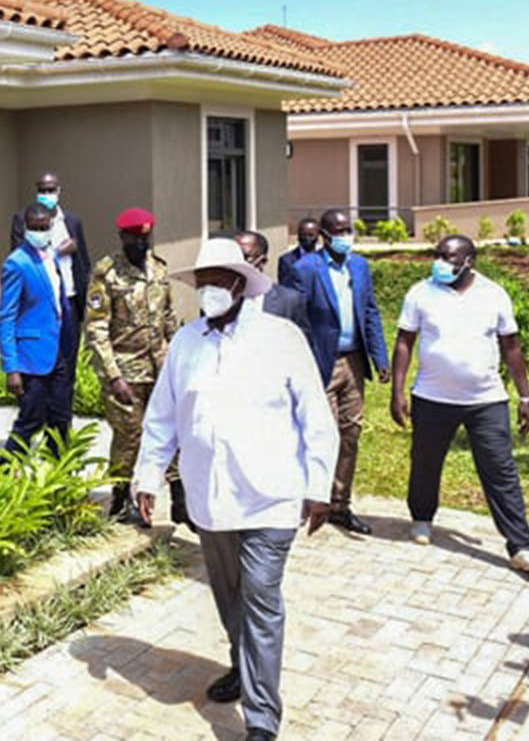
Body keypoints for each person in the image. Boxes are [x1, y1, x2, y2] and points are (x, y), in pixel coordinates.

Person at [132, 238, 338, 741]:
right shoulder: (186, 344)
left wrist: (319, 485)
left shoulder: (281, 337)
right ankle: (241, 667)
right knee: (230, 600)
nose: (210, 291)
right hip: (210, 500)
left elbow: (315, 415)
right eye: (203, 283)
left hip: (272, 497)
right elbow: (162, 418)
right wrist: (148, 474)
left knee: (261, 600)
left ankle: (262, 719)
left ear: (242, 285)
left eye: (219, 281)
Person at [389, 235, 529, 572]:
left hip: (486, 401)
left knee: (500, 470)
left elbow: (512, 347)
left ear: (469, 261)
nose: (440, 263)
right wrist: (397, 391)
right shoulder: (420, 293)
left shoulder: (493, 294)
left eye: (448, 257)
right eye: (437, 255)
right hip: (432, 397)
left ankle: (521, 546)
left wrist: (525, 395)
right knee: (425, 463)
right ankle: (421, 517)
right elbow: (405, 341)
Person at [290, 208, 389, 534]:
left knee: (351, 433)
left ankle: (340, 504)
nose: (347, 237)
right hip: (321, 363)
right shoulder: (305, 270)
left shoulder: (359, 266)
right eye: (341, 231)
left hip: (354, 361)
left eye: (350, 230)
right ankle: (311, 497)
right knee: (323, 433)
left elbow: (370, 311)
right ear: (325, 235)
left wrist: (380, 358)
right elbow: (296, 320)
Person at [85, 208, 182, 526]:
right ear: (122, 237)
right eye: (133, 238)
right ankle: (121, 495)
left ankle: (179, 493)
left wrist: (179, 360)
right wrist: (113, 377)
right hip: (125, 370)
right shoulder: (107, 273)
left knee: (171, 431)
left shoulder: (158, 268)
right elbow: (97, 329)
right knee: (130, 435)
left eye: (144, 238)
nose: (140, 243)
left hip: (161, 367)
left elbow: (169, 318)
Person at [0, 202, 76, 455]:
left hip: (57, 354)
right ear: (26, 228)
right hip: (31, 357)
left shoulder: (51, 257)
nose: (39, 232)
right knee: (31, 421)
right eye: (34, 227)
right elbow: (7, 318)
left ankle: (58, 478)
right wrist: (12, 368)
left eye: (44, 227)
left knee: (61, 418)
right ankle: (5, 476)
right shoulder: (16, 263)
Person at [10, 172, 91, 394]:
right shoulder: (24, 219)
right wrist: (57, 251)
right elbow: (21, 260)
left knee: (69, 357)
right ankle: (41, 407)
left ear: (59, 191)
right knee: (42, 359)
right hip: (41, 303)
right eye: (43, 190)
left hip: (70, 300)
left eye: (51, 190)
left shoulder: (72, 221)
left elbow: (83, 262)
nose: (47, 194)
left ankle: (63, 413)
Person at [235, 230, 312, 343]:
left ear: (263, 261)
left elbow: (303, 343)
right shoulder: (219, 299)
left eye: (245, 257)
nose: (237, 263)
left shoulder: (288, 301)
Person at [277, 217, 320, 287]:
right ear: (298, 236)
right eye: (303, 234)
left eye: (311, 235)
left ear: (318, 236)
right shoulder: (286, 260)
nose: (307, 238)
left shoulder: (324, 259)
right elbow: (285, 288)